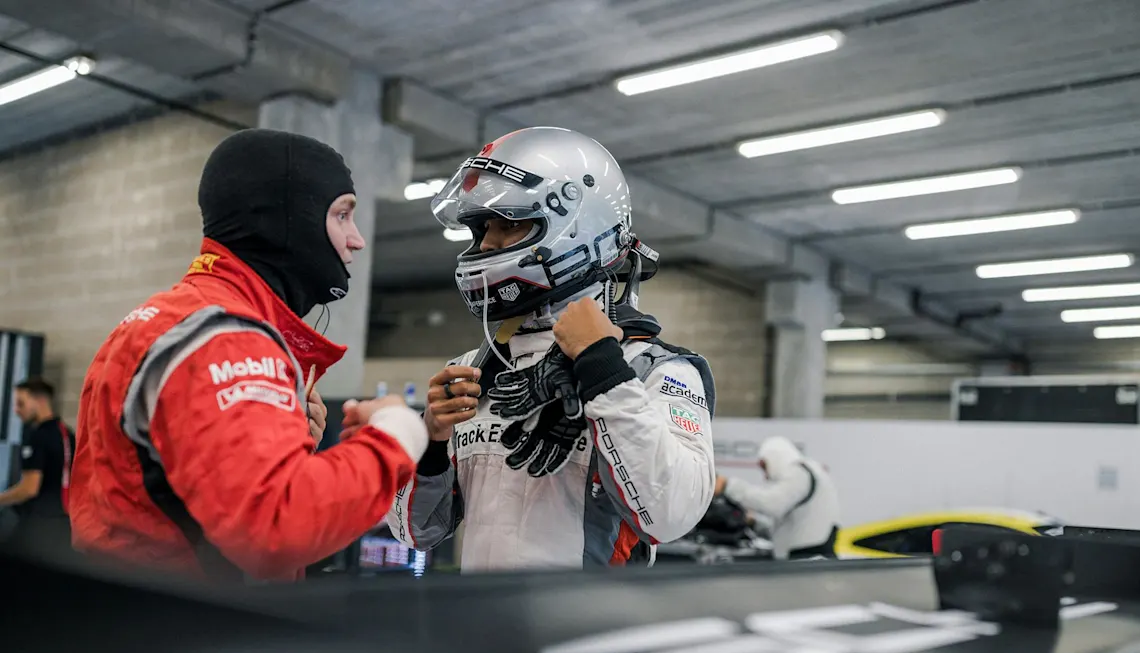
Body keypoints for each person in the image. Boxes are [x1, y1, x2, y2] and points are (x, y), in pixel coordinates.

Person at [69, 128, 428, 582]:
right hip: (190, 635)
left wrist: (285, 447)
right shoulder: (225, 338)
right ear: (287, 218)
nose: (356, 240)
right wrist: (396, 435)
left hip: (142, 620)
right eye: (341, 215)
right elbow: (278, 528)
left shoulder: (175, 317)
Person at [385, 127, 717, 572]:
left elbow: (671, 515)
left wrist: (603, 370)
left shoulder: (656, 370)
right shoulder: (472, 370)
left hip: (590, 633)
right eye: (483, 229)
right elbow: (416, 534)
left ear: (576, 228)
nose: (485, 245)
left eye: (509, 224)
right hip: (480, 629)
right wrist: (430, 442)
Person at [713, 437, 840, 560]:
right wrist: (754, 522)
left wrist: (727, 485)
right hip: (806, 557)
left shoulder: (800, 473)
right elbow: (785, 527)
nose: (766, 476)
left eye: (764, 467)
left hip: (809, 559)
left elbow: (772, 504)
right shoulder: (808, 472)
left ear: (774, 457)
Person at [0, 377, 75, 554]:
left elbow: (29, 488)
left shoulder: (38, 437)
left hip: (38, 524)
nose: (17, 411)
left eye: (21, 404)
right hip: (64, 523)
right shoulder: (67, 434)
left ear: (40, 401)